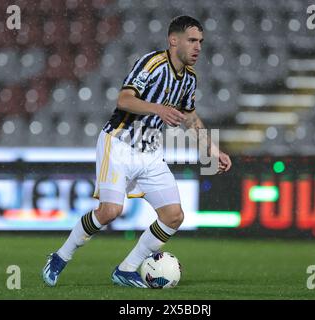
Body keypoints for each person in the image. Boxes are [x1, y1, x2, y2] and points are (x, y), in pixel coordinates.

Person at [42, 15, 232, 288]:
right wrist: (159, 109)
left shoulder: (189, 79)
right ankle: (61, 256)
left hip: (150, 152)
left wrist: (213, 151)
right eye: (192, 40)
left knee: (174, 216)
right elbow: (124, 99)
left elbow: (189, 117)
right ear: (173, 40)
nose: (198, 47)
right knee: (110, 211)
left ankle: (126, 268)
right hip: (118, 144)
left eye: (201, 41)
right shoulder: (151, 64)